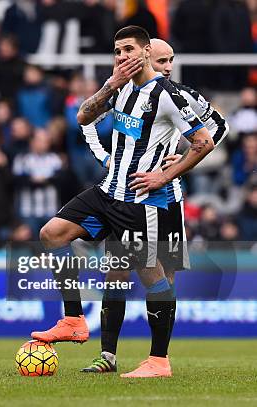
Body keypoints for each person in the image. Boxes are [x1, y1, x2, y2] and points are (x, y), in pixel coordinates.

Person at [29, 26, 215, 378]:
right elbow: (83, 117)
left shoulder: (168, 96)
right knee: (52, 234)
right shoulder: (121, 87)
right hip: (106, 192)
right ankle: (73, 319)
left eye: (128, 49)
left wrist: (164, 175)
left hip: (139, 200)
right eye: (117, 51)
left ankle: (159, 361)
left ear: (145, 52)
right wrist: (109, 85)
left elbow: (204, 141)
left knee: (153, 276)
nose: (122, 57)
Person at [79, 38, 229, 374]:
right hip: (130, 195)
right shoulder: (129, 91)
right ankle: (108, 355)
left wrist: (184, 156)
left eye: (171, 59)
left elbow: (219, 127)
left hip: (167, 197)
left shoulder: (180, 95)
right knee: (116, 269)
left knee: (165, 274)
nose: (168, 66)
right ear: (147, 57)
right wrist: (106, 158)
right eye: (162, 60)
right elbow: (87, 119)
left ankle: (158, 356)